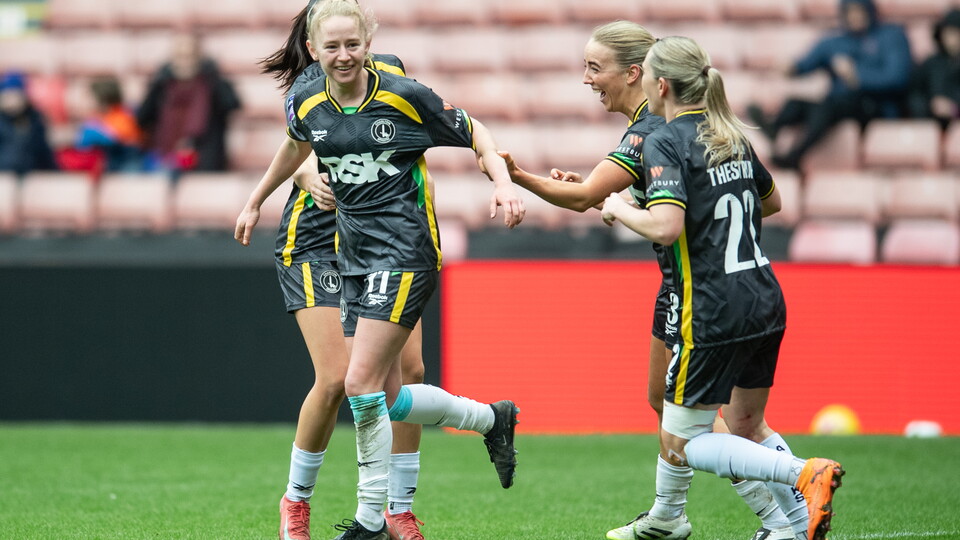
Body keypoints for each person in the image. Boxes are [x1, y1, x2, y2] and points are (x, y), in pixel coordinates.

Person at [495, 20, 796, 540]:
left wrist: (520, 178)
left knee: (687, 426)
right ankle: (677, 517)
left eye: (595, 67)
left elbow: (592, 198)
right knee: (664, 398)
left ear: (642, 75)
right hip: (739, 285)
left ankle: (742, 511)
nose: (587, 78)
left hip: (702, 291)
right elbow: (764, 201)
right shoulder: (714, 129)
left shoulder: (652, 132)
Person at [234, 2, 524, 539]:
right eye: (332, 47)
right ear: (313, 50)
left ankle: (379, 515)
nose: (344, 56)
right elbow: (298, 143)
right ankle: (488, 420)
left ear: (369, 45)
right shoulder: (306, 97)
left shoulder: (402, 95)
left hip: (401, 253)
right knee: (375, 391)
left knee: (363, 380)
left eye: (353, 45)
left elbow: (473, 132)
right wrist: (262, 195)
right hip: (347, 252)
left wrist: (502, 182)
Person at [599, 36, 844, 540]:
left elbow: (665, 228)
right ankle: (794, 527)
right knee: (747, 425)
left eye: (645, 72)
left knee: (684, 443)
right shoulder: (729, 132)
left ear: (660, 84)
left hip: (710, 306)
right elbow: (770, 203)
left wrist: (620, 208)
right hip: (763, 296)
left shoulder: (665, 139)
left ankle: (801, 471)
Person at [748, 0, 912, 169]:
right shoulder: (835, 41)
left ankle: (795, 155)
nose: (854, 17)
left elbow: (898, 78)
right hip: (839, 104)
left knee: (825, 107)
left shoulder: (891, 36)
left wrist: (857, 77)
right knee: (796, 103)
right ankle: (774, 127)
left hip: (875, 105)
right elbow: (806, 63)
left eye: (859, 11)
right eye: (850, 12)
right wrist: (790, 68)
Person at [137, 32, 241, 174]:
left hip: (205, 159)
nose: (185, 61)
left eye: (190, 55)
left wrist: (214, 76)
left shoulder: (211, 82)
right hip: (165, 159)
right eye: (180, 55)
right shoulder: (163, 85)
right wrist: (158, 83)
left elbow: (232, 104)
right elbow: (142, 117)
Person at [74, 76, 145, 173]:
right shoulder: (97, 121)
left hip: (126, 168)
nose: (85, 103)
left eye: (89, 97)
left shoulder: (121, 117)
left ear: (102, 100)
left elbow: (125, 138)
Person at [908, 8, 960, 128]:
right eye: (949, 33)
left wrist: (954, 109)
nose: (953, 39)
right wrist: (930, 106)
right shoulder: (930, 63)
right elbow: (915, 93)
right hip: (930, 124)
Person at [0, 71, 57, 177]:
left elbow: (44, 152)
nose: (11, 98)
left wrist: (56, 173)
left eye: (15, 93)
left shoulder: (35, 119)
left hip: (32, 178)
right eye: (7, 94)